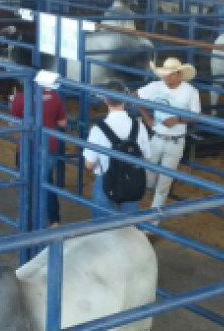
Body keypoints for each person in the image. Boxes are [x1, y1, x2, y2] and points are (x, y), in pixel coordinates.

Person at [137, 58, 200, 215]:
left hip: (175, 141)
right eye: (164, 74)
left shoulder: (190, 91)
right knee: (147, 178)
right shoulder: (155, 86)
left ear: (179, 74)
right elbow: (135, 96)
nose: (165, 78)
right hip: (157, 137)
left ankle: (152, 222)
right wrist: (148, 119)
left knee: (163, 184)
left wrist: (178, 119)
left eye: (169, 75)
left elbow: (195, 116)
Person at [83, 79, 151, 214]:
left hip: (105, 179)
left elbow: (89, 164)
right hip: (131, 179)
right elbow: (147, 158)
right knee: (127, 226)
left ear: (105, 100)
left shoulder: (97, 130)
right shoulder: (139, 126)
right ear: (124, 99)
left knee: (101, 227)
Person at [10, 85, 69, 227]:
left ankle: (25, 218)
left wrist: (11, 103)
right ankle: (54, 220)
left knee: (25, 182)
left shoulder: (20, 98)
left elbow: (13, 123)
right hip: (49, 145)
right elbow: (63, 122)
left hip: (27, 146)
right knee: (47, 181)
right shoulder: (54, 96)